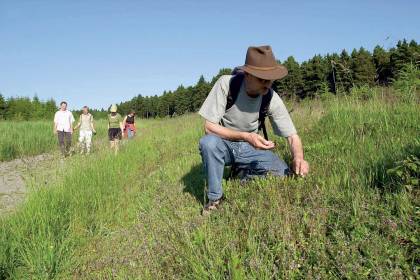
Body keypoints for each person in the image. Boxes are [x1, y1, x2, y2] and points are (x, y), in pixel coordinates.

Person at [198, 45, 310, 215]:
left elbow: (293, 136)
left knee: (283, 173)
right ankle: (215, 199)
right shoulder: (226, 84)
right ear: (247, 74)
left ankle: (243, 177)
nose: (267, 84)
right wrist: (245, 135)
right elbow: (209, 127)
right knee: (208, 143)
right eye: (262, 79)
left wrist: (298, 158)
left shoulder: (270, 96)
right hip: (224, 144)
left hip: (250, 148)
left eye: (270, 79)